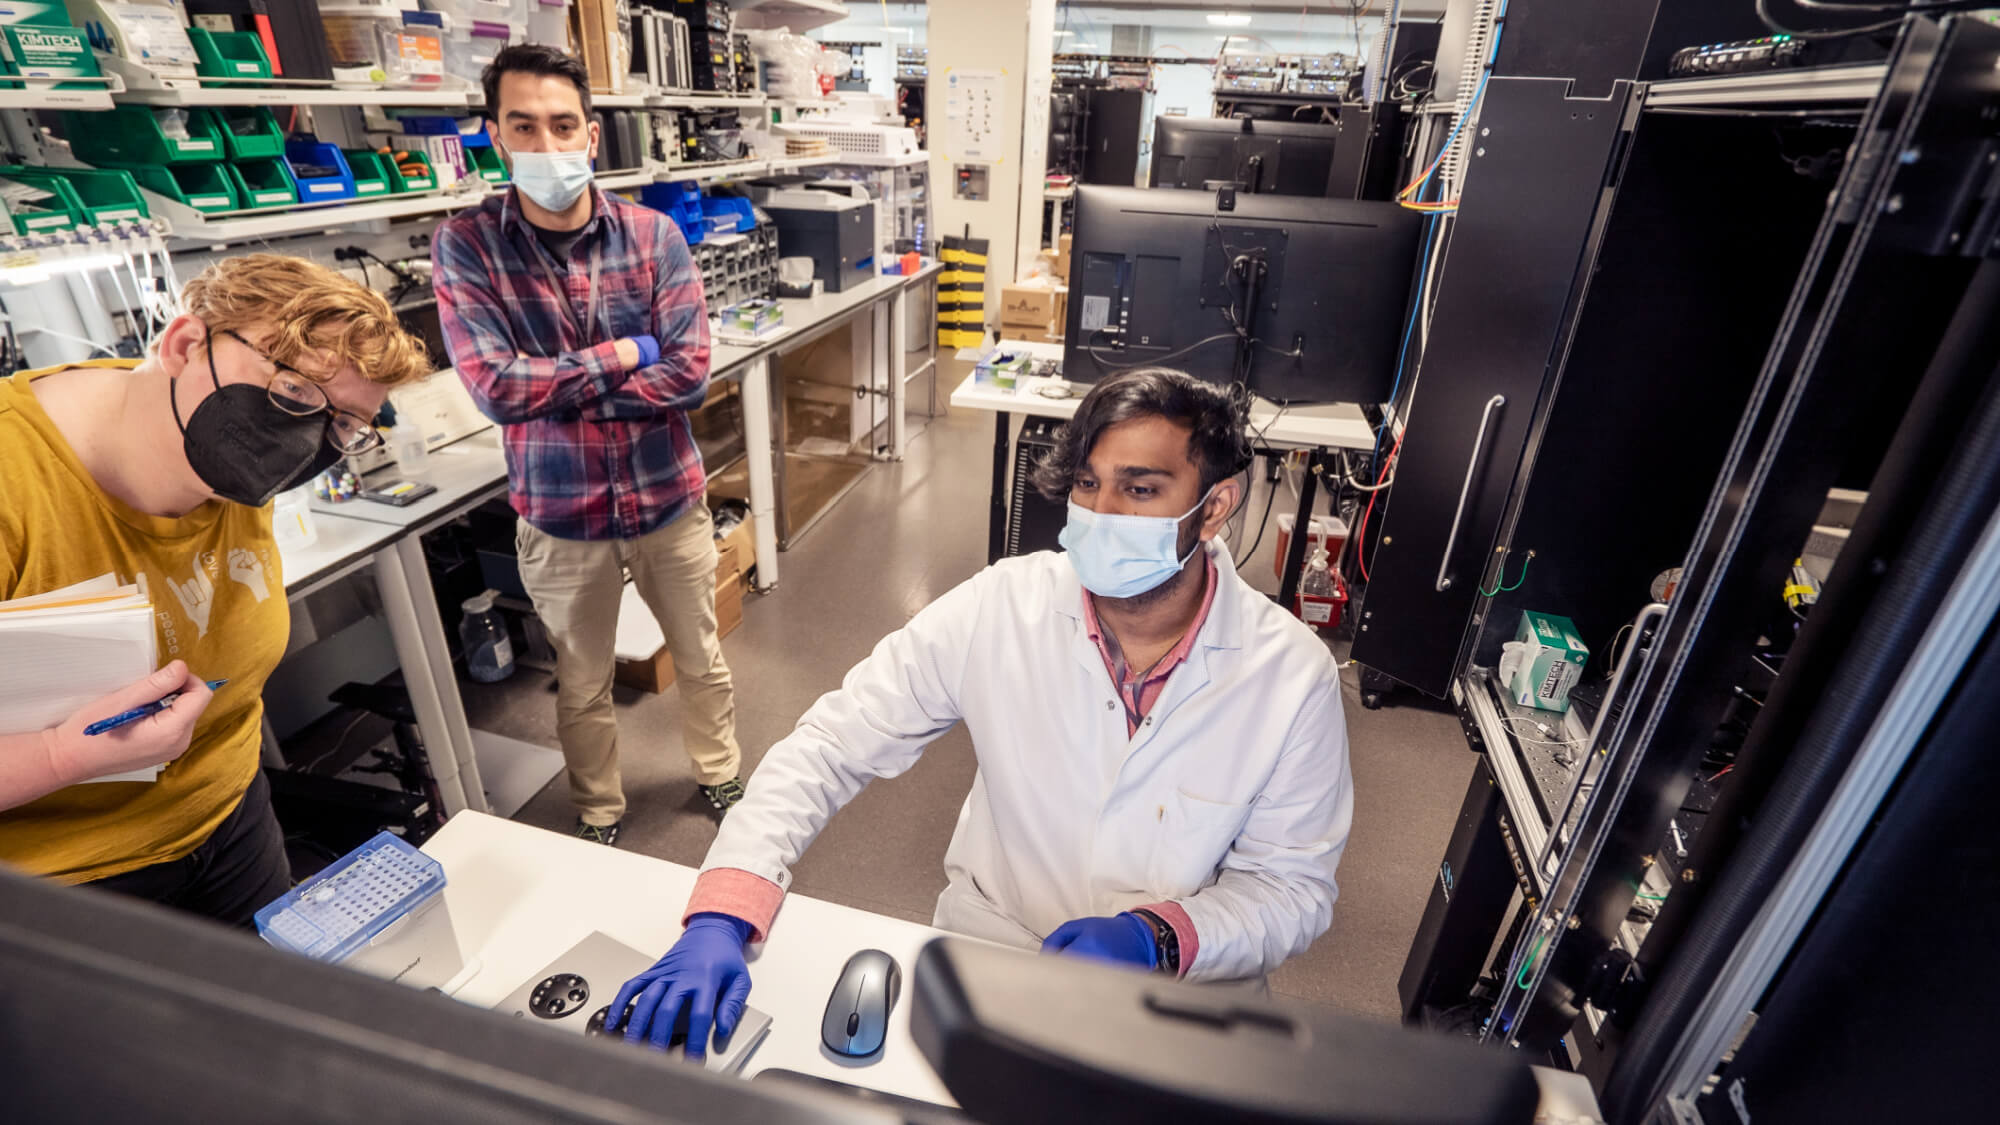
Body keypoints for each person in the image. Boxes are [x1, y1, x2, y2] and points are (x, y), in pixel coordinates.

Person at [608, 368, 1355, 1056]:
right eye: (1088, 484)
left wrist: (1160, 936)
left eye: (1139, 489)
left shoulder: (1288, 676)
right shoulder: (1005, 605)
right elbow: (831, 745)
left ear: (1214, 505)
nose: (1099, 513)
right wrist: (724, 905)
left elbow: (1291, 887)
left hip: (1183, 994)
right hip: (997, 947)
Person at [0, 254, 431, 926]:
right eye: (292, 394)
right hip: (69, 880)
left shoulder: (226, 453)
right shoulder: (16, 479)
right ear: (182, 345)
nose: (306, 443)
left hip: (233, 815)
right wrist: (63, 754)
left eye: (342, 424)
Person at [432, 44, 745, 846]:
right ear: (495, 134)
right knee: (582, 681)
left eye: (563, 124)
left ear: (593, 133)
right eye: (525, 127)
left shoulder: (654, 236)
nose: (547, 146)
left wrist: (562, 384)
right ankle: (601, 810)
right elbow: (498, 391)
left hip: (666, 498)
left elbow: (688, 375)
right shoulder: (468, 246)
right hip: (561, 513)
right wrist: (623, 352)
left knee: (701, 656)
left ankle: (719, 773)